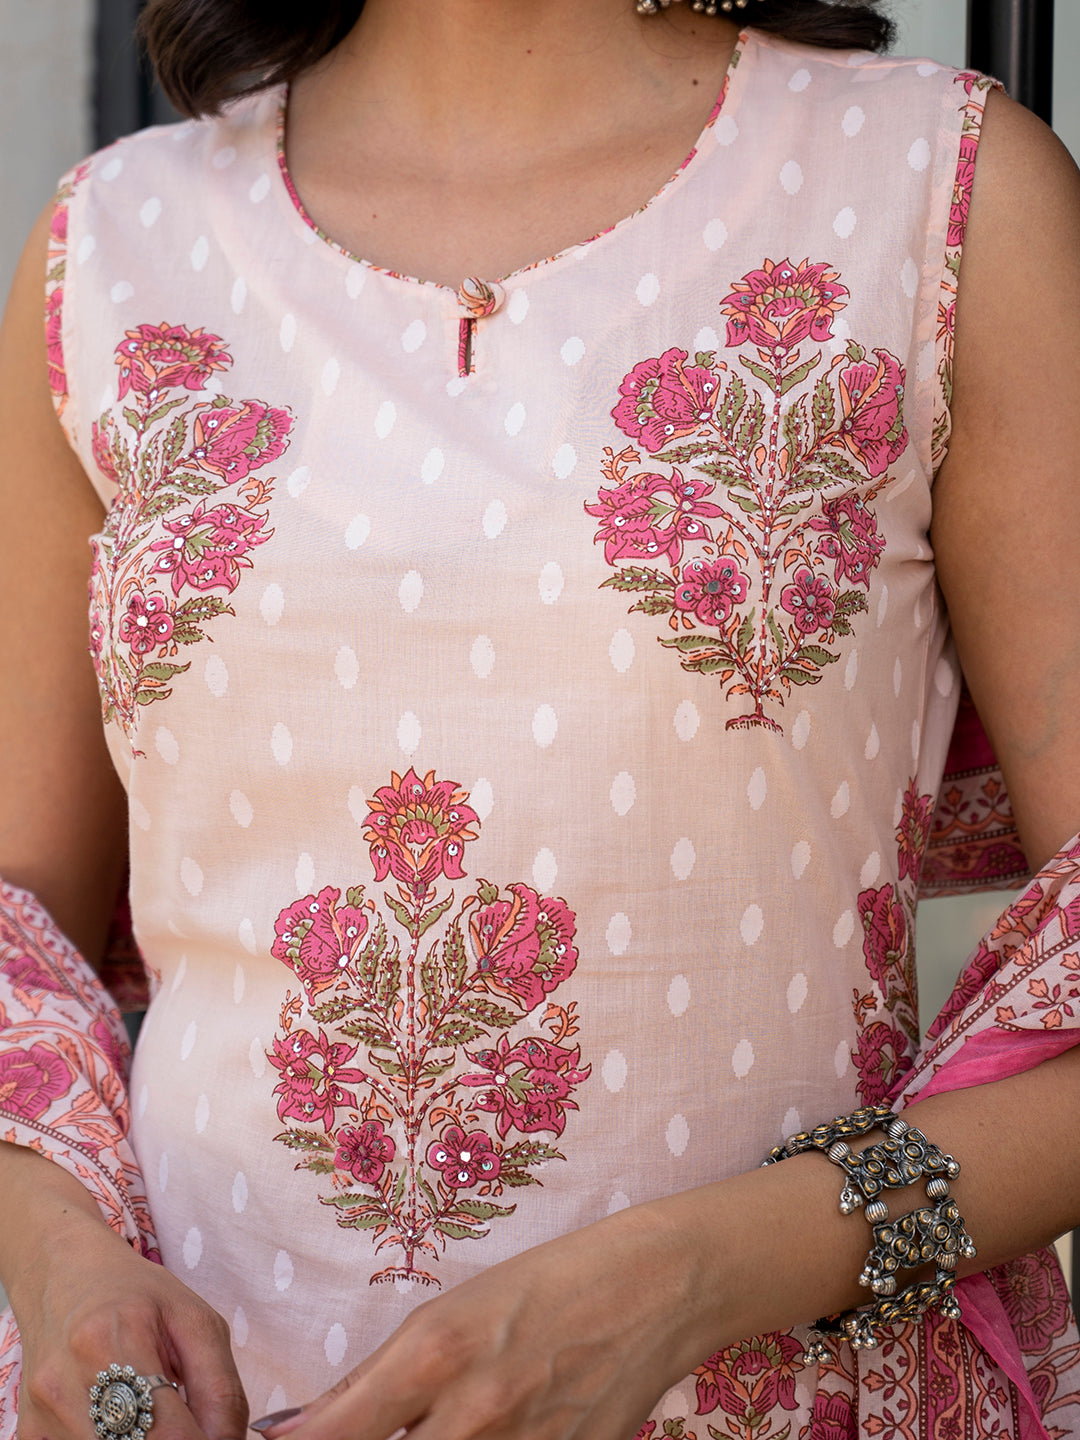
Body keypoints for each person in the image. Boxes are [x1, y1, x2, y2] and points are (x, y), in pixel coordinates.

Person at [1, 1, 1079, 1438]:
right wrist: (65, 1271)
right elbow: (22, 946)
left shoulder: (932, 190)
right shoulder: (113, 246)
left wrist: (697, 1276)